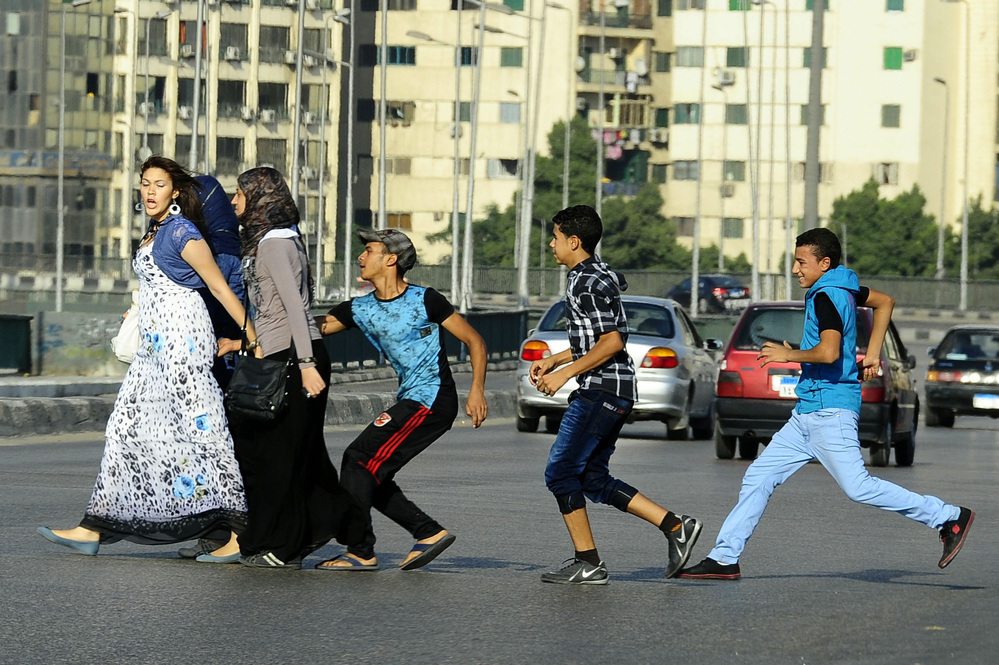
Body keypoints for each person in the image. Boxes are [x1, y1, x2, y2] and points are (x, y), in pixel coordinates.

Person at [680, 228, 974, 580]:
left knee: (859, 487)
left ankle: (947, 517)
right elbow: (885, 302)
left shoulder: (825, 296)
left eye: (801, 262)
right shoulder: (845, 287)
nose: (794, 270)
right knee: (758, 476)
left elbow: (829, 351)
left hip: (830, 410)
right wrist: (873, 354)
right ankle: (725, 558)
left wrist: (789, 354)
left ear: (824, 263)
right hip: (807, 413)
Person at [37, 156, 252, 559]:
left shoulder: (184, 232)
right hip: (153, 349)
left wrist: (250, 336)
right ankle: (94, 527)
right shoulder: (156, 231)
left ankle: (239, 531)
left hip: (183, 344)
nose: (150, 192)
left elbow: (221, 288)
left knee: (205, 432)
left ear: (176, 192)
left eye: (158, 184)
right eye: (145, 184)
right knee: (125, 428)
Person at [529, 205, 702, 585]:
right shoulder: (596, 273)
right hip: (614, 389)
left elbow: (612, 341)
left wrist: (563, 376)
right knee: (591, 478)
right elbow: (595, 338)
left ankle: (587, 562)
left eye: (555, 238)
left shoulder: (584, 282)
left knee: (560, 474)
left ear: (574, 241)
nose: (551, 244)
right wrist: (556, 358)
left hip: (601, 390)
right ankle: (676, 527)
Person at [315, 228, 488, 571]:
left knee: (358, 457)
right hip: (412, 398)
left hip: (432, 399)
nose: (361, 257)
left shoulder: (426, 299)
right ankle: (427, 532)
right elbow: (316, 327)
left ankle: (361, 551)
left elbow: (475, 341)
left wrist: (477, 390)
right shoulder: (360, 308)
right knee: (368, 471)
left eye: (369, 250)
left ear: (391, 259)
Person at [215, 166, 341, 570]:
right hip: (276, 354)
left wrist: (306, 365)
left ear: (260, 198)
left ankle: (285, 546)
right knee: (280, 454)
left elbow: (297, 310)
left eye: (240, 194)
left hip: (292, 359)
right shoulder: (272, 241)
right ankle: (310, 530)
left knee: (278, 457)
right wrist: (244, 342)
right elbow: (271, 312)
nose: (235, 201)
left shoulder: (276, 245)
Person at [194, 174, 245, 391]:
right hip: (231, 347)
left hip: (212, 352)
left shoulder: (212, 253)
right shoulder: (234, 244)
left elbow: (200, 302)